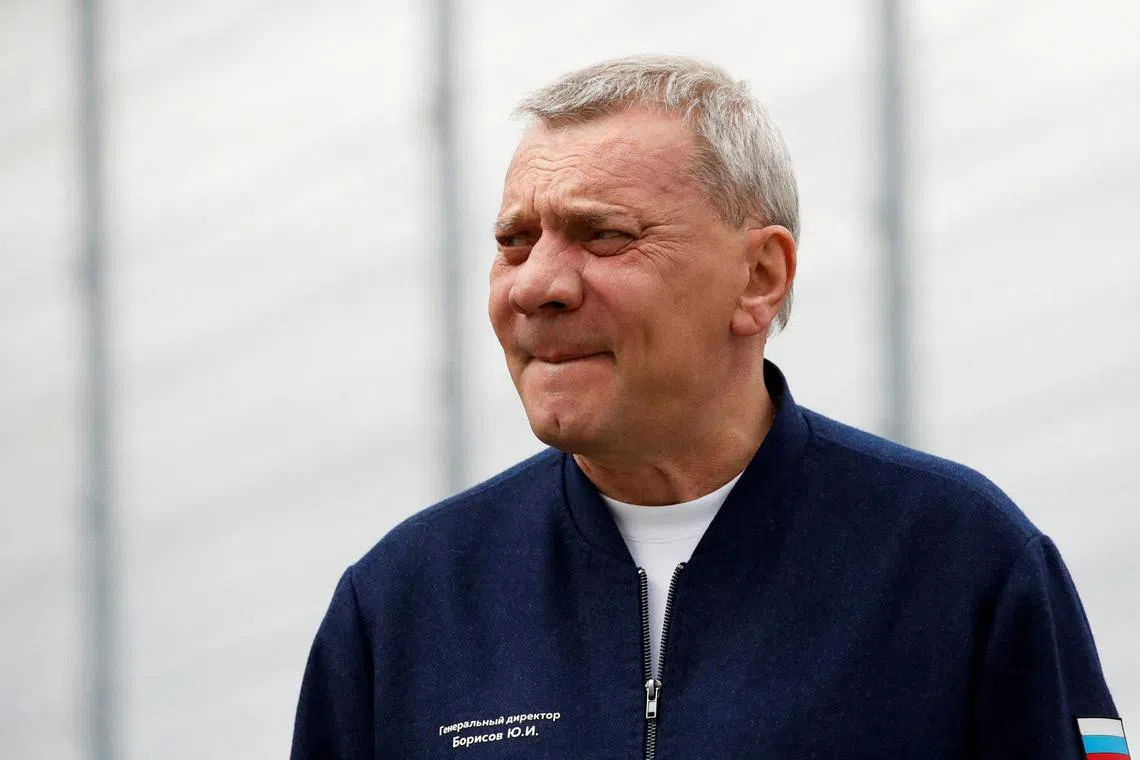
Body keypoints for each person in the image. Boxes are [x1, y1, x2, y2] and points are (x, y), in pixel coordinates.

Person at [291, 55, 1126, 759]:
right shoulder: (401, 606)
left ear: (759, 276)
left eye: (603, 235)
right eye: (514, 242)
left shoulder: (960, 563)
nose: (538, 284)